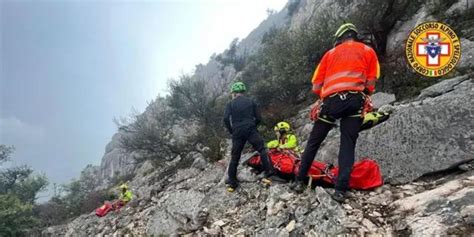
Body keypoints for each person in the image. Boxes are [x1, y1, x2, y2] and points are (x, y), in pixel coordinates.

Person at [293, 23, 380, 202]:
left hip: (331, 102)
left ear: (339, 39)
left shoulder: (329, 54)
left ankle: (299, 181)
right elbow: (371, 84)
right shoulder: (368, 50)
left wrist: (329, 92)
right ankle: (340, 190)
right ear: (354, 35)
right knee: (347, 144)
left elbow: (316, 86)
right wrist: (363, 94)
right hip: (355, 100)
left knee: (314, 142)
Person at [223, 82, 279, 192]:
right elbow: (258, 118)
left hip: (237, 131)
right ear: (244, 92)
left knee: (235, 156)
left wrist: (232, 131)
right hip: (250, 128)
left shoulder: (230, 104)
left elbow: (225, 119)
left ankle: (232, 183)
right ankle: (269, 173)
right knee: (262, 149)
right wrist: (253, 126)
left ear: (234, 93)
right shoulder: (251, 102)